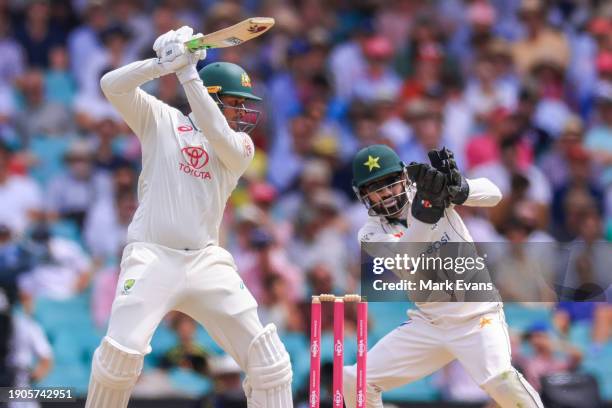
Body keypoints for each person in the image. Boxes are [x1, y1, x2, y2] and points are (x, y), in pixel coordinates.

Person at [85, 26, 293, 407]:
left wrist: (186, 74)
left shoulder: (241, 147)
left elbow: (215, 129)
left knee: (270, 362)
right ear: (214, 98)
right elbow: (111, 85)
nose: (245, 112)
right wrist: (160, 65)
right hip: (152, 255)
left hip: (205, 259)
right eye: (236, 102)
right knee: (119, 358)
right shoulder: (161, 120)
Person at [343, 144, 544, 407]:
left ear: (403, 178)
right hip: (430, 323)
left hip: (477, 318)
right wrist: (427, 210)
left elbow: (494, 194)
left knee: (501, 380)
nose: (386, 194)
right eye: (375, 189)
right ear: (364, 195)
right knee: (354, 379)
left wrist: (459, 188)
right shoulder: (369, 233)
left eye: (390, 183)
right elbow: (407, 259)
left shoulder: (430, 191)